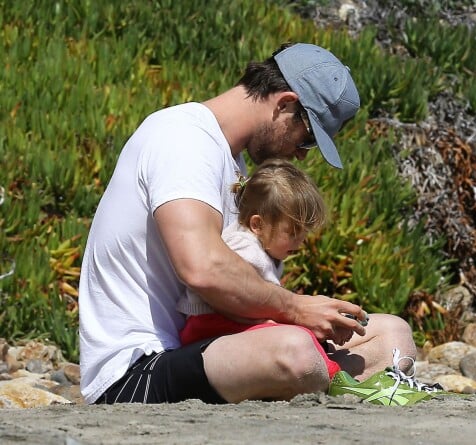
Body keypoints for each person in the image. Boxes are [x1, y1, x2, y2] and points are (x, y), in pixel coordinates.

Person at [79, 42, 418, 405]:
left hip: (205, 348)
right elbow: (202, 268)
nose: (302, 155)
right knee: (296, 352)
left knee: (390, 336)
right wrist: (297, 309)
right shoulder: (182, 139)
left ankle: (332, 386)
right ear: (285, 104)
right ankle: (334, 386)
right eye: (307, 139)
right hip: (136, 369)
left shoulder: (231, 161)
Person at [177, 158, 343, 378]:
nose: (300, 242)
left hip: (221, 324)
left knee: (296, 335)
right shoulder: (244, 247)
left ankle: (325, 367)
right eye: (292, 233)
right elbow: (234, 296)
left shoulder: (265, 249)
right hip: (209, 324)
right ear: (257, 224)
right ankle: (331, 374)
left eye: (304, 234)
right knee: (295, 337)